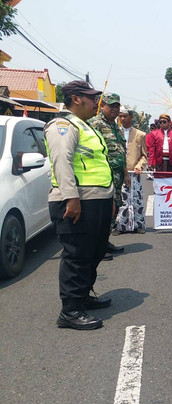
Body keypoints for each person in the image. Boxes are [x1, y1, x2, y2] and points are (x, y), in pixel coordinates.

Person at [44, 80, 114, 330]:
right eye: (91, 97)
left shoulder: (85, 126)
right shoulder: (62, 125)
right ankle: (70, 311)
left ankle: (82, 296)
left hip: (97, 199)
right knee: (77, 255)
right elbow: (61, 162)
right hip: (78, 201)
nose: (96, 102)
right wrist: (70, 198)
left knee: (95, 251)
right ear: (76, 98)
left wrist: (110, 197)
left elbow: (99, 164)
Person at [88, 93, 125, 258]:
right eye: (111, 106)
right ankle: (96, 247)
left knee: (114, 208)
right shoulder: (94, 124)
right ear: (102, 106)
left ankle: (104, 242)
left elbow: (121, 151)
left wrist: (126, 174)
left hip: (117, 176)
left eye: (117, 106)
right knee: (102, 212)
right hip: (102, 177)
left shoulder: (116, 126)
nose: (115, 109)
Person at [115, 107, 148, 234]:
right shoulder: (115, 132)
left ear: (131, 117)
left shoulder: (140, 135)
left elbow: (144, 155)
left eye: (125, 116)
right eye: (120, 116)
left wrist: (139, 166)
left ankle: (139, 225)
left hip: (134, 172)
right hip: (118, 172)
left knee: (136, 198)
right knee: (121, 199)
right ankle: (120, 225)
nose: (122, 119)